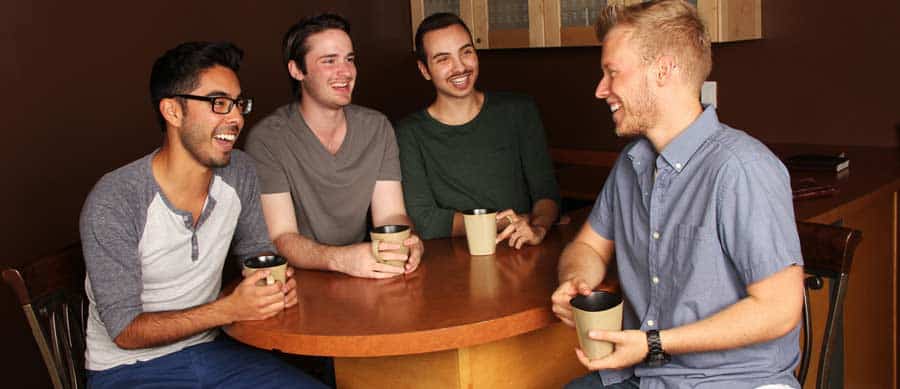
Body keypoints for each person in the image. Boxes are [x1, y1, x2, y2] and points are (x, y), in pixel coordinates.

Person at [550, 1, 804, 388]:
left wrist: (653, 343)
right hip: (646, 376)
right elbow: (587, 247)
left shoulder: (741, 169)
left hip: (733, 382)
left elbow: (780, 310)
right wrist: (575, 282)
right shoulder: (630, 165)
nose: (601, 90)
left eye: (612, 72)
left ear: (663, 70)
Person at [79, 42, 326, 388]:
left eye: (239, 104)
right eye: (218, 103)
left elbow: (257, 254)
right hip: (128, 370)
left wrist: (274, 285)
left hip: (215, 353)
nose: (236, 118)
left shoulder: (239, 171)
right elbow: (125, 331)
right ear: (172, 111)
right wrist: (229, 310)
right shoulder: (116, 199)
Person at [245, 14, 424, 279]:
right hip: (301, 282)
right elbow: (281, 237)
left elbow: (391, 215)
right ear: (296, 70)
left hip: (367, 272)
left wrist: (407, 241)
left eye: (349, 59)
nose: (346, 71)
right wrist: (342, 259)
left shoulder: (377, 127)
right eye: (329, 61)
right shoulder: (267, 139)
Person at [395, 13, 561, 248]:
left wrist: (538, 229)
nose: (460, 67)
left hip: (521, 250)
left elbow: (547, 193)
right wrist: (500, 223)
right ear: (424, 70)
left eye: (466, 52)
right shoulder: (409, 133)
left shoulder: (519, 111)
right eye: (443, 59)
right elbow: (425, 220)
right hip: (453, 258)